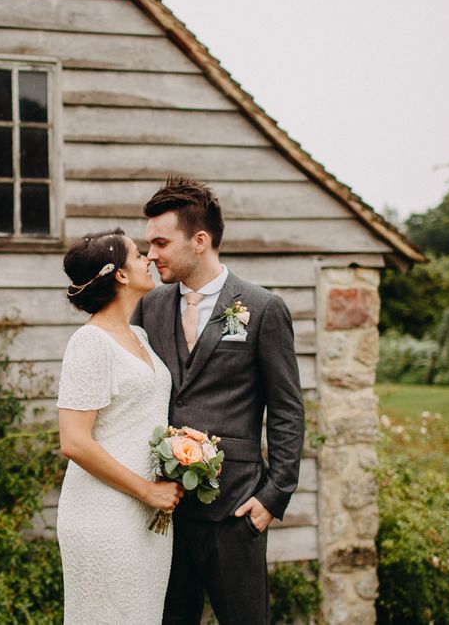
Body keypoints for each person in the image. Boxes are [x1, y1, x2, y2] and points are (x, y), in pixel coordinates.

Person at [132, 177, 305, 624]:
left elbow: (287, 409)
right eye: (148, 244)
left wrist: (273, 497)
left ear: (200, 240)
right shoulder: (149, 307)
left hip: (236, 510)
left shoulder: (262, 308)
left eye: (160, 242)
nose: (151, 255)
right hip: (166, 515)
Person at [56, 228, 184, 624]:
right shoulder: (90, 342)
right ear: (121, 275)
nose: (148, 258)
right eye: (138, 254)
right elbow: (74, 442)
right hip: (104, 513)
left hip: (148, 517)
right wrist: (147, 490)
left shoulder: (140, 336)